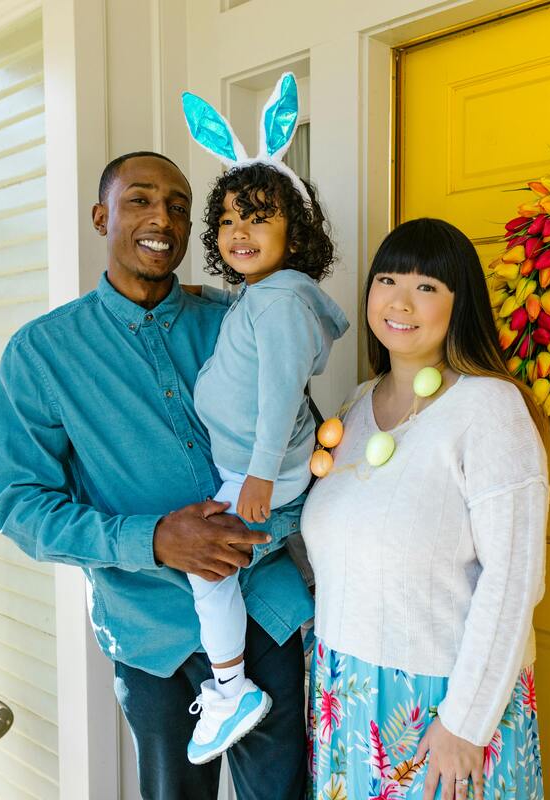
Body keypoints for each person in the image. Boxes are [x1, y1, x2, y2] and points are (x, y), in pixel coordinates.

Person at [0, 151, 312, 800]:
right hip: (149, 634)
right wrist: (154, 539)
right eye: (139, 199)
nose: (160, 216)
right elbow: (22, 507)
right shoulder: (42, 352)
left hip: (264, 615)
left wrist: (260, 533)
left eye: (178, 205)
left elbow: (301, 443)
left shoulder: (236, 319)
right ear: (101, 215)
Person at [302, 218, 550, 800]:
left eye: (427, 287)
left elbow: (514, 579)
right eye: (388, 279)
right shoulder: (356, 406)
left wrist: (465, 722)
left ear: (460, 305)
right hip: (346, 692)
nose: (401, 301)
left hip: (444, 704)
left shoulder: (489, 409)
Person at [185, 160, 347, 763]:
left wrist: (257, 473)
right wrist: (212, 294)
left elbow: (280, 393)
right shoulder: (266, 296)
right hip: (259, 465)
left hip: (263, 469)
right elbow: (257, 321)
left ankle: (231, 690)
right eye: (228, 219)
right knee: (231, 557)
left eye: (258, 217)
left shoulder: (278, 304)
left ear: (294, 236)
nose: (239, 231)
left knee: (209, 563)